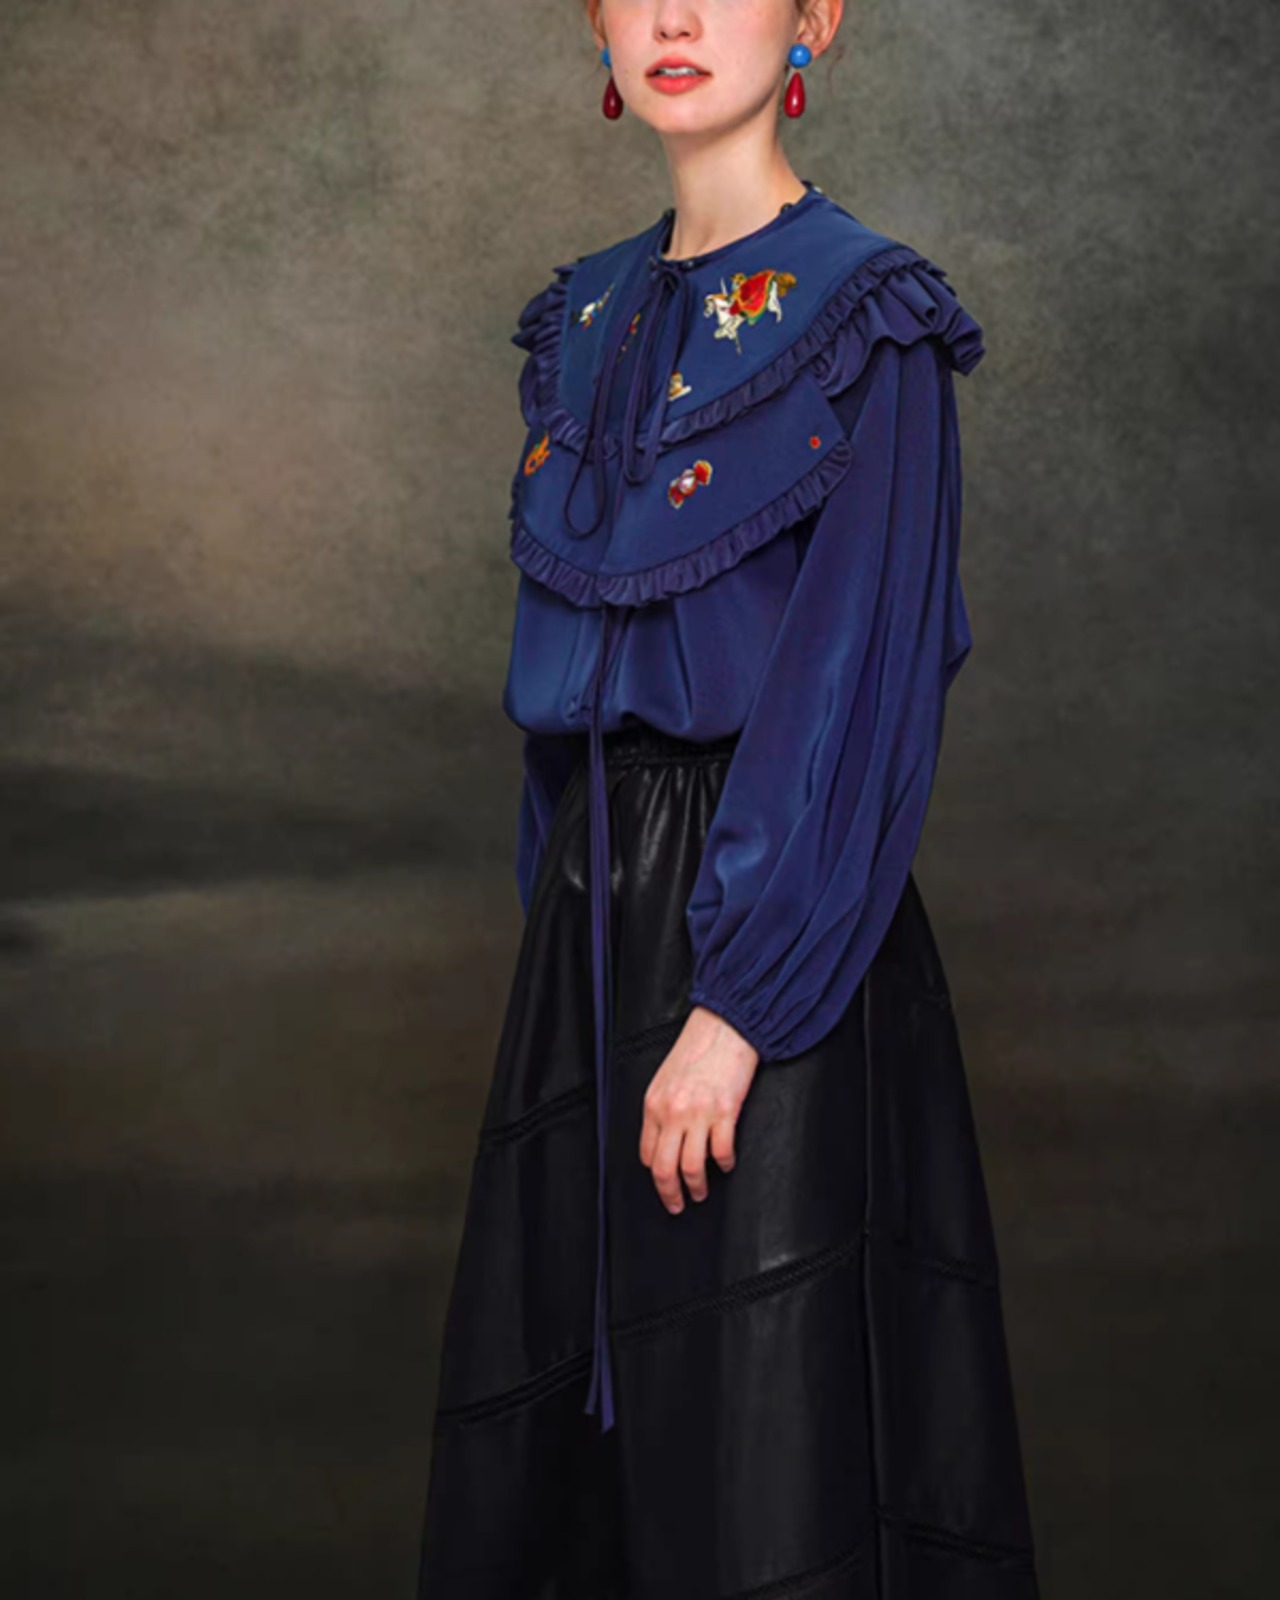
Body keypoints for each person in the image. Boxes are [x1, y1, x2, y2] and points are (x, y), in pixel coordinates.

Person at [417, 2, 1040, 1595]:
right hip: (589, 933)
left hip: (775, 925)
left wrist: (737, 1004)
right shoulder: (583, 317)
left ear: (815, 18)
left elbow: (858, 680)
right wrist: (567, 933)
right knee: (575, 1458)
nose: (676, 18)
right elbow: (559, 711)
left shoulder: (868, 318)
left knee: (762, 1444)